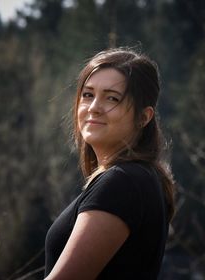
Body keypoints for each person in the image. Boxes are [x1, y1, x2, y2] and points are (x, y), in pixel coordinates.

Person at [44, 47, 175, 280]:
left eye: (112, 98)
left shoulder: (122, 183)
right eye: (87, 95)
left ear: (143, 117)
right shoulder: (136, 178)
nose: (94, 107)